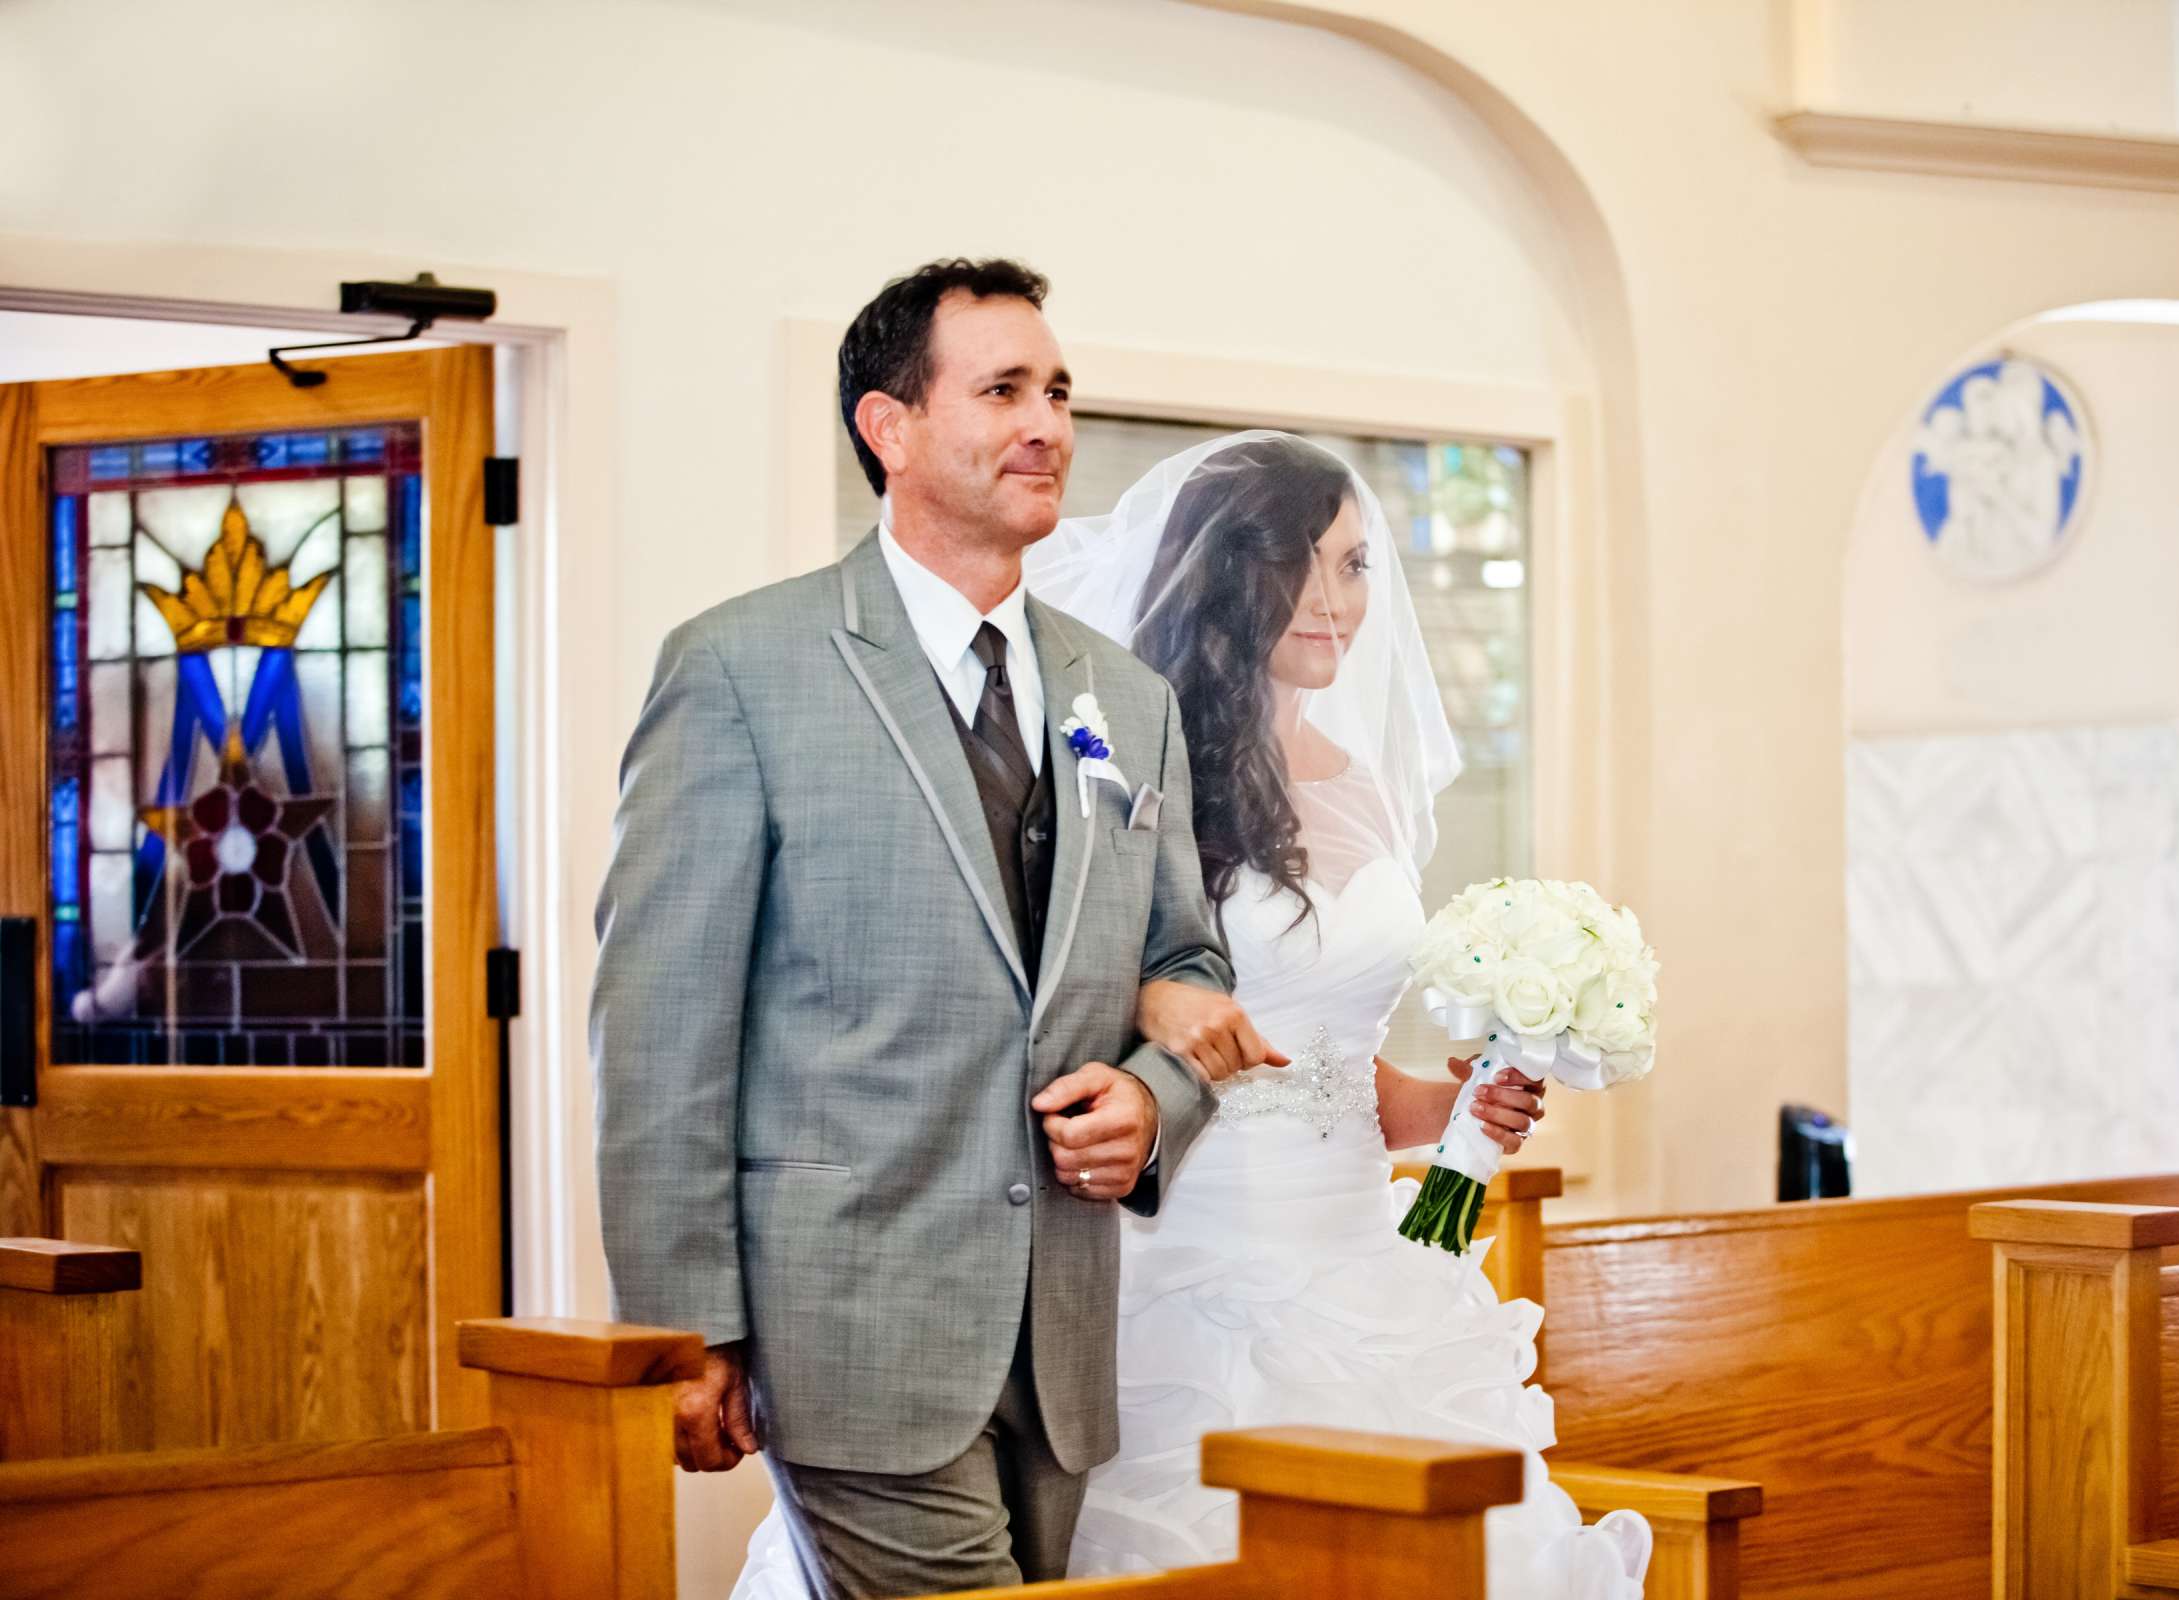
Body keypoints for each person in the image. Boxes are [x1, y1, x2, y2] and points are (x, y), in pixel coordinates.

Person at [594, 258, 1273, 1599]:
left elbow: (1187, 964)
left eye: (1060, 390)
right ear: (888, 428)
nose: (1049, 425)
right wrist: (686, 1330)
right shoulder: (741, 669)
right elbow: (664, 1030)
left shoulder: (1122, 698)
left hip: (1062, 1333)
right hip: (852, 1328)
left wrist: (1152, 1104)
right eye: (1004, 389)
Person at [1036, 432, 1651, 1597]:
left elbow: (1332, 1059)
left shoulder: (1361, 779)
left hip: (1362, 1258)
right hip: (1187, 1261)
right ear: (1224, 575)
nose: (1336, 602)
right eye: (1301, 565)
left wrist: (1455, 1102)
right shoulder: (1123, 764)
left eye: (1358, 564)